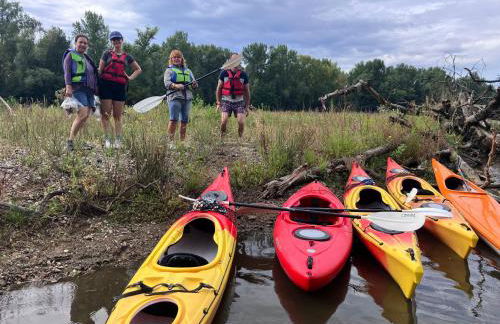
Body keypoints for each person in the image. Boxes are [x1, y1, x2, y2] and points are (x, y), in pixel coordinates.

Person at [98, 31, 142, 148]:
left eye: (118, 39)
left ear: (122, 40)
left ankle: (118, 140)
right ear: (111, 41)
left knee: (117, 115)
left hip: (120, 87)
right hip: (106, 86)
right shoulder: (106, 54)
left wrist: (130, 77)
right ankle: (107, 140)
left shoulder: (127, 56)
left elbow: (138, 69)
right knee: (106, 114)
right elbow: (100, 71)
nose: (116, 42)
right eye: (114, 40)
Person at [63, 34, 98, 152]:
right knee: (82, 114)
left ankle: (77, 141)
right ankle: (70, 142)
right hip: (77, 88)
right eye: (80, 42)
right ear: (75, 43)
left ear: (87, 45)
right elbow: (67, 72)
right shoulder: (70, 55)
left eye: (85, 43)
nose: (83, 44)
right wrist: (68, 86)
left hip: (89, 90)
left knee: (86, 116)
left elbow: (93, 74)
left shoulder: (87, 58)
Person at [163, 49, 198, 142]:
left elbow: (194, 85)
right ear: (171, 59)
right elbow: (167, 84)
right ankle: (170, 142)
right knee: (174, 119)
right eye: (174, 57)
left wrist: (194, 84)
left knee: (184, 120)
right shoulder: (169, 70)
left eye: (178, 57)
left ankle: (182, 142)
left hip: (187, 98)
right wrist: (176, 85)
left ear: (182, 59)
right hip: (174, 97)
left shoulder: (188, 71)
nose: (176, 59)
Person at [216, 53, 250, 138]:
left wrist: (247, 106)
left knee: (241, 122)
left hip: (239, 101)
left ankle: (240, 138)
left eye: (237, 60)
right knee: (224, 121)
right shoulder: (224, 73)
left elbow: (247, 92)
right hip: (226, 101)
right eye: (233, 60)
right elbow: (218, 89)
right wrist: (218, 103)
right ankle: (222, 137)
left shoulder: (243, 75)